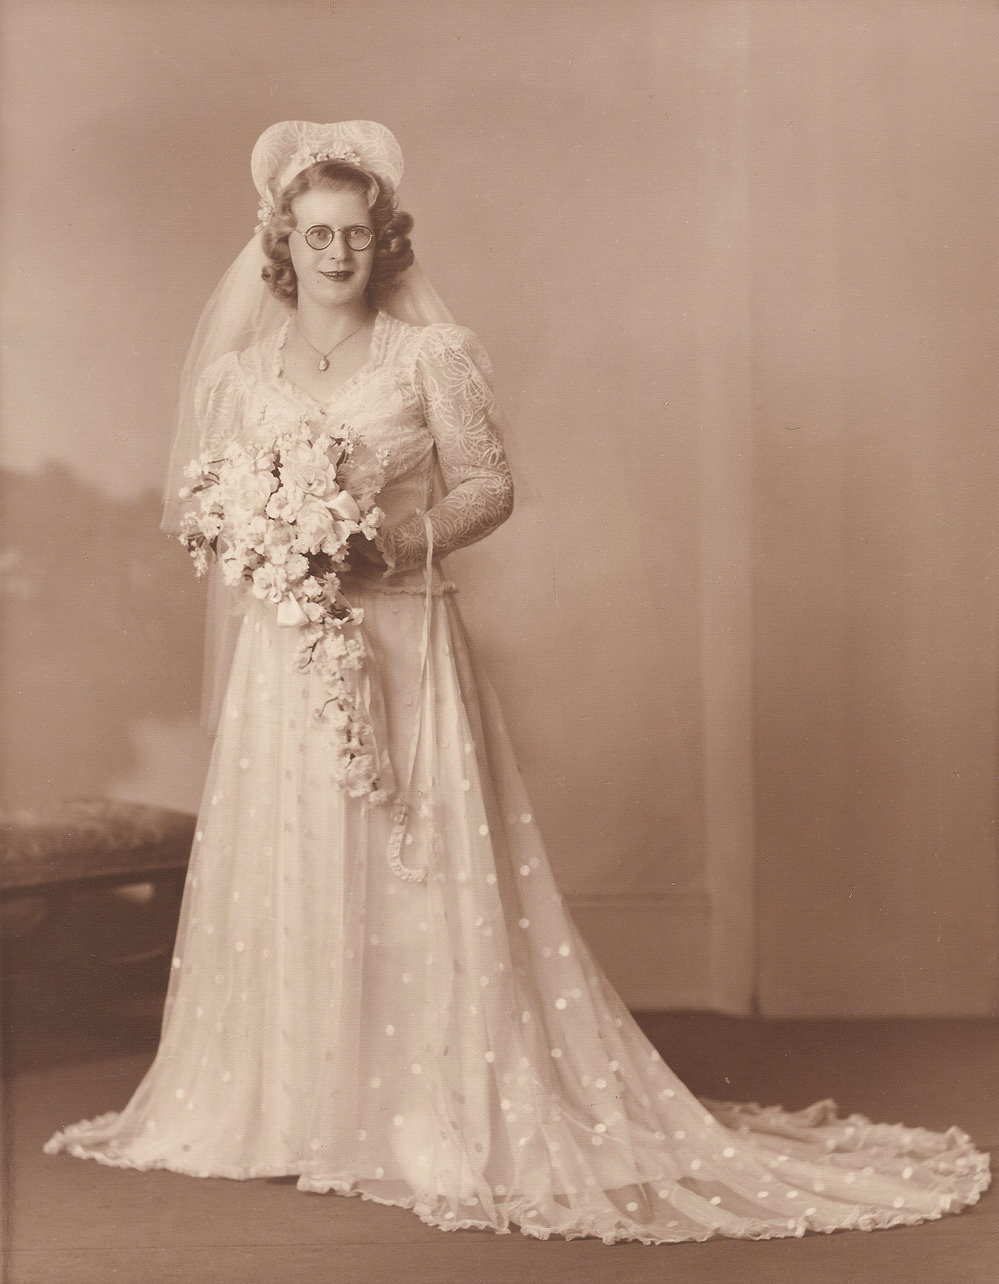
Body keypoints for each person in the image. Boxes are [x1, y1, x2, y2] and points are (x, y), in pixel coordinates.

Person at [45, 120, 989, 1244]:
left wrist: (385, 543)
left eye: (356, 234)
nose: (337, 253)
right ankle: (296, 1107)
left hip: (402, 638)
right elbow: (202, 506)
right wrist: (266, 537)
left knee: (413, 854)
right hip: (285, 655)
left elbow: (487, 485)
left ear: (384, 240)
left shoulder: (428, 356)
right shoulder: (238, 377)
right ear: (280, 244)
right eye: (316, 235)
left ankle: (415, 1108)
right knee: (296, 845)